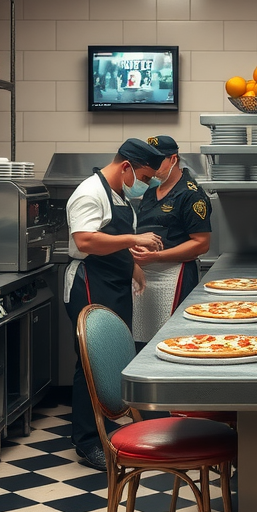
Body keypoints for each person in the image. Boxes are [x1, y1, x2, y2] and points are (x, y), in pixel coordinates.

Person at [63, 141, 163, 469]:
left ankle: (106, 427)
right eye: (144, 176)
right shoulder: (90, 192)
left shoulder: (118, 194)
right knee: (91, 365)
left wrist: (131, 266)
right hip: (90, 284)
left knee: (114, 359)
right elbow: (85, 240)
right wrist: (135, 240)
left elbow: (111, 240)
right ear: (126, 167)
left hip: (114, 284)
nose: (145, 183)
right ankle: (89, 442)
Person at [128, 135, 212, 345]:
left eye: (157, 161)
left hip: (174, 275)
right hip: (144, 276)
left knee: (173, 340)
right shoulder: (149, 192)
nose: (151, 167)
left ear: (173, 159)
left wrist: (157, 256)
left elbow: (201, 243)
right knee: (141, 339)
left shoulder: (190, 194)